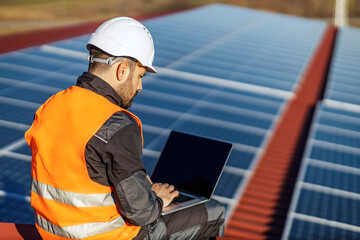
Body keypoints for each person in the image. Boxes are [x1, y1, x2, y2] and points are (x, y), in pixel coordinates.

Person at [25, 17, 225, 240]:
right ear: (121, 70)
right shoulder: (115, 124)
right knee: (213, 211)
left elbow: (78, 171)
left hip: (51, 234)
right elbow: (142, 213)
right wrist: (157, 199)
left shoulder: (51, 106)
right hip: (108, 237)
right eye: (140, 76)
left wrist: (138, 187)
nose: (139, 86)